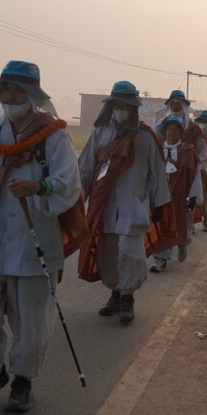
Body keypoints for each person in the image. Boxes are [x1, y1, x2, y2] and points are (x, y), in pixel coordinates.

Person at [0, 60, 86, 413]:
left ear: (33, 95)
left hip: (34, 242)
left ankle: (23, 379)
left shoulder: (53, 135)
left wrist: (39, 187)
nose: (10, 97)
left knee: (31, 321)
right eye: (5, 90)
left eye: (17, 90)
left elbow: (69, 182)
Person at [76, 81, 170, 324]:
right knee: (108, 252)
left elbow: (157, 171)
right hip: (105, 205)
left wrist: (159, 203)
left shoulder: (145, 136)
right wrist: (78, 198)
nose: (120, 111)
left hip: (134, 204)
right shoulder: (100, 133)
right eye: (116, 106)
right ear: (110, 107)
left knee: (130, 253)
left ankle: (128, 297)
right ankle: (115, 294)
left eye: (125, 106)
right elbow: (86, 167)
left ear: (134, 109)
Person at [149, 116, 203, 272]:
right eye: (169, 129)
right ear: (164, 132)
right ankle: (160, 259)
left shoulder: (188, 151)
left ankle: (182, 243)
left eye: (175, 130)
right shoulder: (158, 150)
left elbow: (196, 175)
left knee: (180, 223)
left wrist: (193, 196)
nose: (171, 132)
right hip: (161, 195)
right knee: (161, 224)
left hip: (180, 194)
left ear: (181, 133)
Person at [155, 90, 207, 238]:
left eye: (179, 103)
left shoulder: (192, 127)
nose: (176, 106)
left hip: (186, 167)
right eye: (173, 103)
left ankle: (184, 236)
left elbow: (202, 148)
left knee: (183, 207)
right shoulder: (160, 124)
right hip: (164, 172)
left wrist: (200, 165)